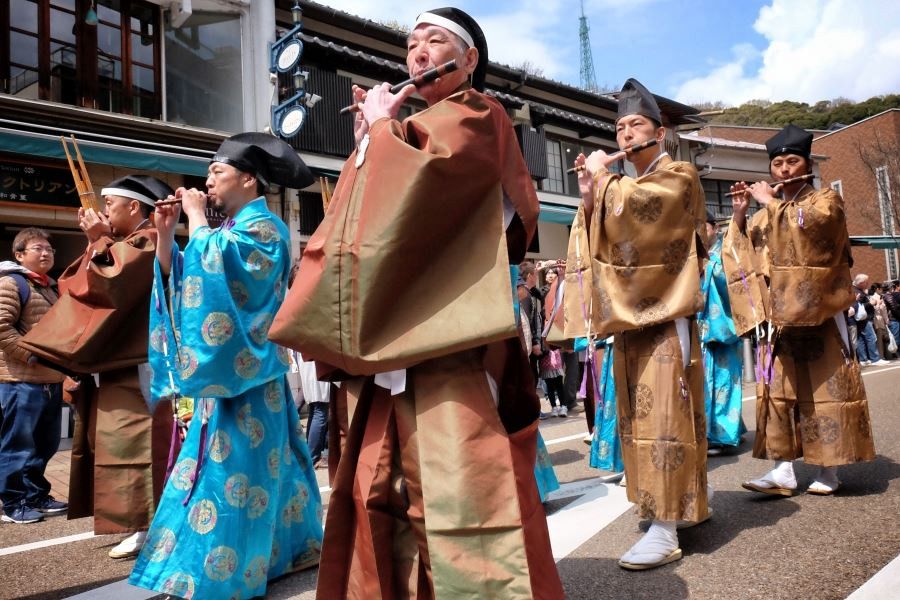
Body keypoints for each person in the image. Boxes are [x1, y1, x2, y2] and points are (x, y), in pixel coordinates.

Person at [269, 7, 563, 598]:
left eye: (434, 41)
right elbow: (366, 232)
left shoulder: (479, 114)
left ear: (469, 60)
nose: (418, 53)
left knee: (462, 492)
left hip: (447, 345)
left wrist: (381, 131)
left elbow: (428, 194)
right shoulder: (411, 129)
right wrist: (370, 139)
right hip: (392, 346)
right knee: (378, 492)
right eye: (411, 45)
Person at [128, 132, 324, 599]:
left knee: (236, 476)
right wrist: (165, 234)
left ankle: (225, 573)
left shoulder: (266, 229)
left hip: (252, 378)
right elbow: (188, 277)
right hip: (233, 377)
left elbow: (216, 270)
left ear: (249, 179)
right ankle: (277, 554)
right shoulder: (231, 232)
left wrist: (196, 217)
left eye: (218, 171)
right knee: (250, 470)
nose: (208, 180)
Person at [569, 78, 710, 570]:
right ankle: (677, 506)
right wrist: (590, 198)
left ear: (660, 132)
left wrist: (602, 182)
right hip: (630, 319)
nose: (626, 134)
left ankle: (666, 528)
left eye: (636, 125)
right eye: (619, 127)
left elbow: (646, 213)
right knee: (640, 417)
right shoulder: (622, 184)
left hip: (667, 314)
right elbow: (604, 239)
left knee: (665, 416)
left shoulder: (680, 175)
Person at [21, 176, 175, 557]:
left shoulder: (149, 240)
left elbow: (114, 285)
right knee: (113, 443)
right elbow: (75, 286)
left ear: (134, 207)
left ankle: (147, 523)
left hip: (141, 362)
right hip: (116, 362)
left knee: (136, 442)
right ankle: (139, 522)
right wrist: (99, 242)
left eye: (111, 204)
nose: (104, 211)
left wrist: (99, 241)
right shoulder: (124, 243)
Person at [727, 124, 876, 497]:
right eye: (778, 164)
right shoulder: (765, 212)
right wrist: (741, 216)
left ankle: (829, 468)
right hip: (779, 319)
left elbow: (816, 230)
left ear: (807, 164)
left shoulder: (826, 200)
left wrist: (769, 203)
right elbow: (743, 258)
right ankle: (783, 471)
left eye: (792, 162)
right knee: (779, 391)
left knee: (826, 390)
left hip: (821, 313)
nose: (784, 169)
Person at [0, 229, 67, 524]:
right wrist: (30, 356)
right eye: (38, 248)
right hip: (20, 380)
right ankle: (12, 503)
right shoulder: (11, 283)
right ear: (19, 255)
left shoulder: (50, 286)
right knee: (17, 446)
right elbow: (2, 327)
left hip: (49, 380)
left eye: (49, 249)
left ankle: (36, 495)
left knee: (44, 444)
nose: (46, 253)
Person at [697, 213, 746, 455]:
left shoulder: (724, 253)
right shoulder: (696, 256)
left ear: (715, 228)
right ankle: (731, 427)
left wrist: (708, 267)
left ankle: (721, 436)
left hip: (723, 328)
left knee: (724, 382)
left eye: (703, 227)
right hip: (702, 329)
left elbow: (735, 282)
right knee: (708, 383)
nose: (699, 232)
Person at [851, 274, 887, 366]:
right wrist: (871, 303)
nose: (868, 284)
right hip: (864, 319)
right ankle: (875, 358)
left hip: (860, 319)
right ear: (861, 283)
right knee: (871, 337)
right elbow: (857, 306)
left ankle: (863, 359)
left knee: (861, 339)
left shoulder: (855, 290)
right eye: (866, 282)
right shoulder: (857, 292)